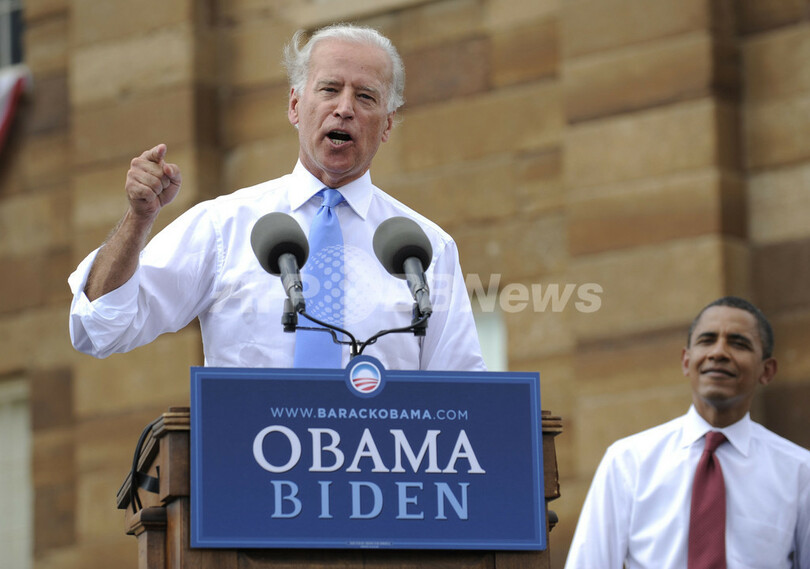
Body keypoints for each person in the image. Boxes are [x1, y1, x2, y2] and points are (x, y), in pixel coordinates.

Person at [68, 24, 485, 372]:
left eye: (365, 97)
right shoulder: (223, 226)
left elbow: (466, 396)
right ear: (294, 105)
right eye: (329, 89)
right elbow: (100, 328)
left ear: (388, 124)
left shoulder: (427, 249)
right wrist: (138, 220)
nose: (344, 109)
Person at [564, 296, 810, 569]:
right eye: (707, 340)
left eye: (738, 343)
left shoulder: (800, 472)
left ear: (767, 370)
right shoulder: (627, 462)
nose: (718, 352)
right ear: (685, 361)